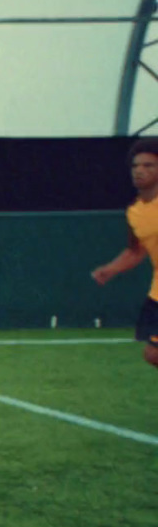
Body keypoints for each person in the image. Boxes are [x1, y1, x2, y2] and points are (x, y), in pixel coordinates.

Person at [91, 139, 158, 370]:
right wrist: (110, 269)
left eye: (149, 165)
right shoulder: (135, 212)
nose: (140, 170)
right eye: (136, 165)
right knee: (153, 354)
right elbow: (136, 250)